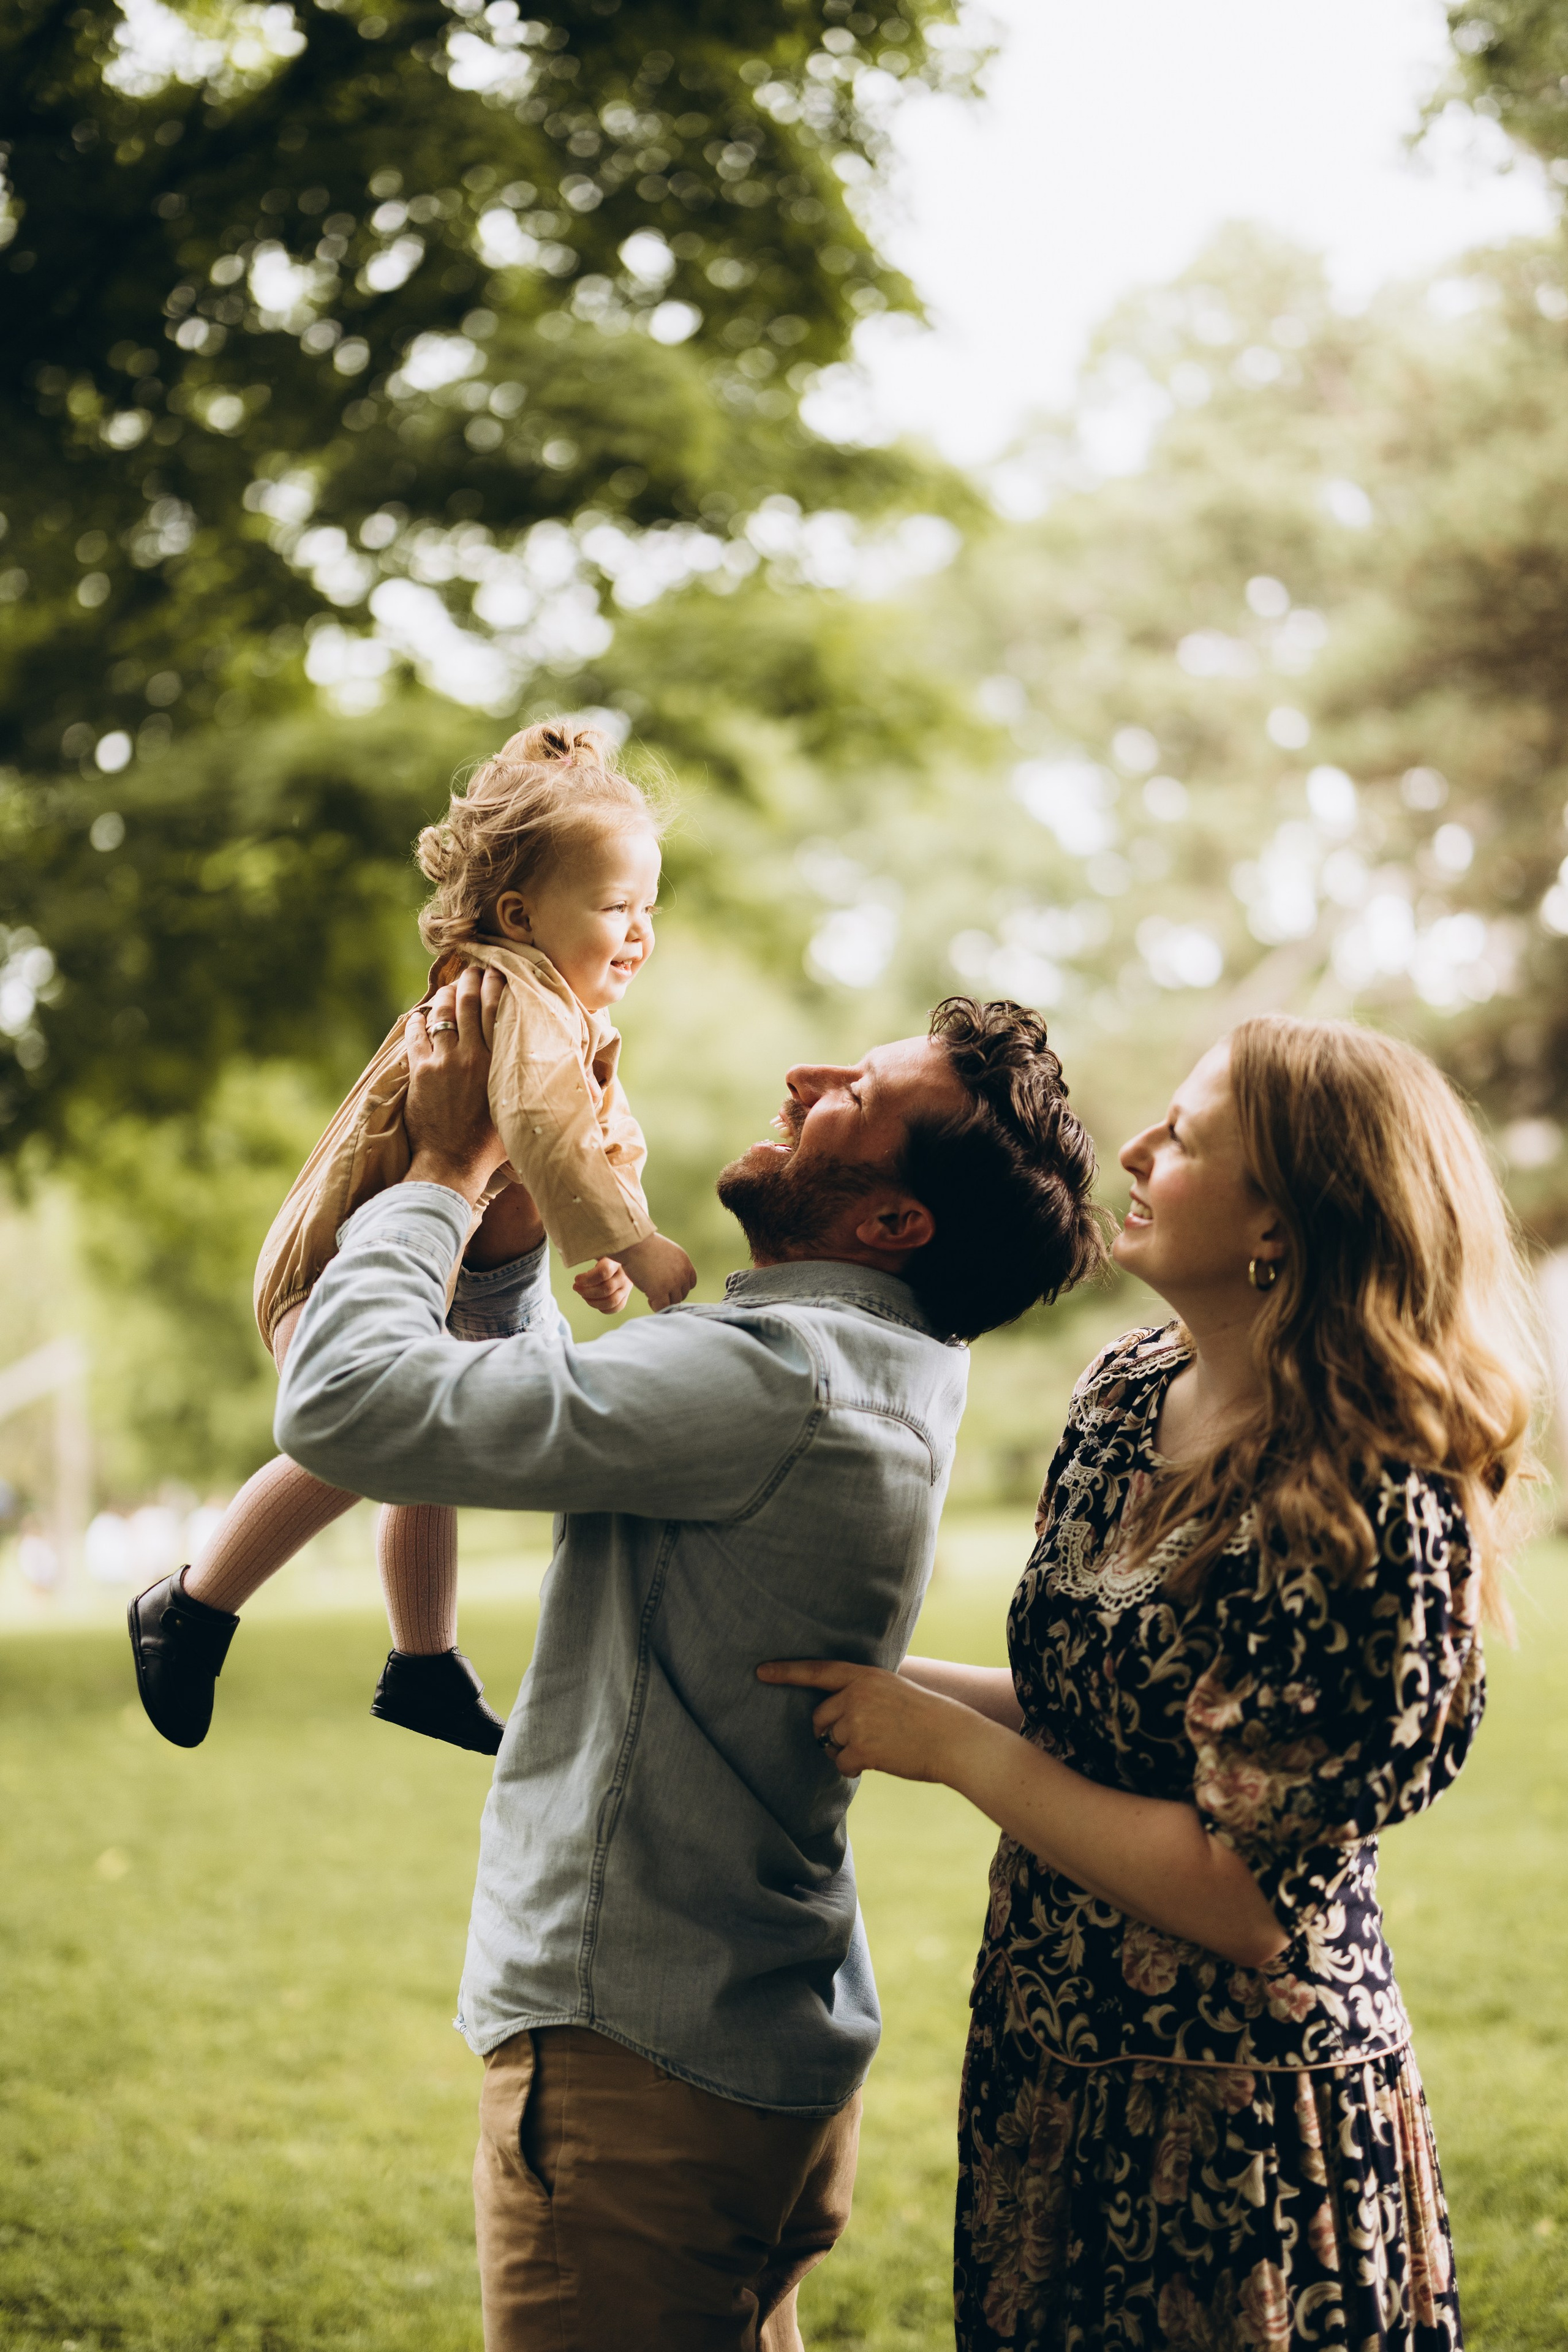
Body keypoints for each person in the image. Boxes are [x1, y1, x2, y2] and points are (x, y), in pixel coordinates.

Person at [271, 973, 1104, 2351]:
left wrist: (437, 1168)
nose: (801, 1076)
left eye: (856, 1095)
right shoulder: (876, 1364)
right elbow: (572, 1421)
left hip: (635, 2078)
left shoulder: (778, 1375)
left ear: (894, 1221)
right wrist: (506, 1254)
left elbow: (349, 1406)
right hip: (755, 2052)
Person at [761, 1014, 1540, 2352]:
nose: (1129, 1147)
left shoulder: (1362, 1496)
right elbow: (1092, 1721)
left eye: (1179, 1138)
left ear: (1280, 1224)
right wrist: (869, 1685)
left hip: (1234, 2128)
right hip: (1050, 2066)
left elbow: (1241, 1897)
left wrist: (944, 1749)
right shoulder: (1128, 1392)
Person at [127, 719, 695, 1755]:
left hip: (441, 1281)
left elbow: (604, 1127)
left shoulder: (563, 1007)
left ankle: (424, 1665)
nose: (640, 931)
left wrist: (600, 1240)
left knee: (426, 1443)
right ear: (521, 915)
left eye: (649, 907)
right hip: (352, 1270)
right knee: (371, 1433)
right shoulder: (508, 992)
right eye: (616, 907)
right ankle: (192, 1608)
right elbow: (542, 1125)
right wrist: (636, 1243)